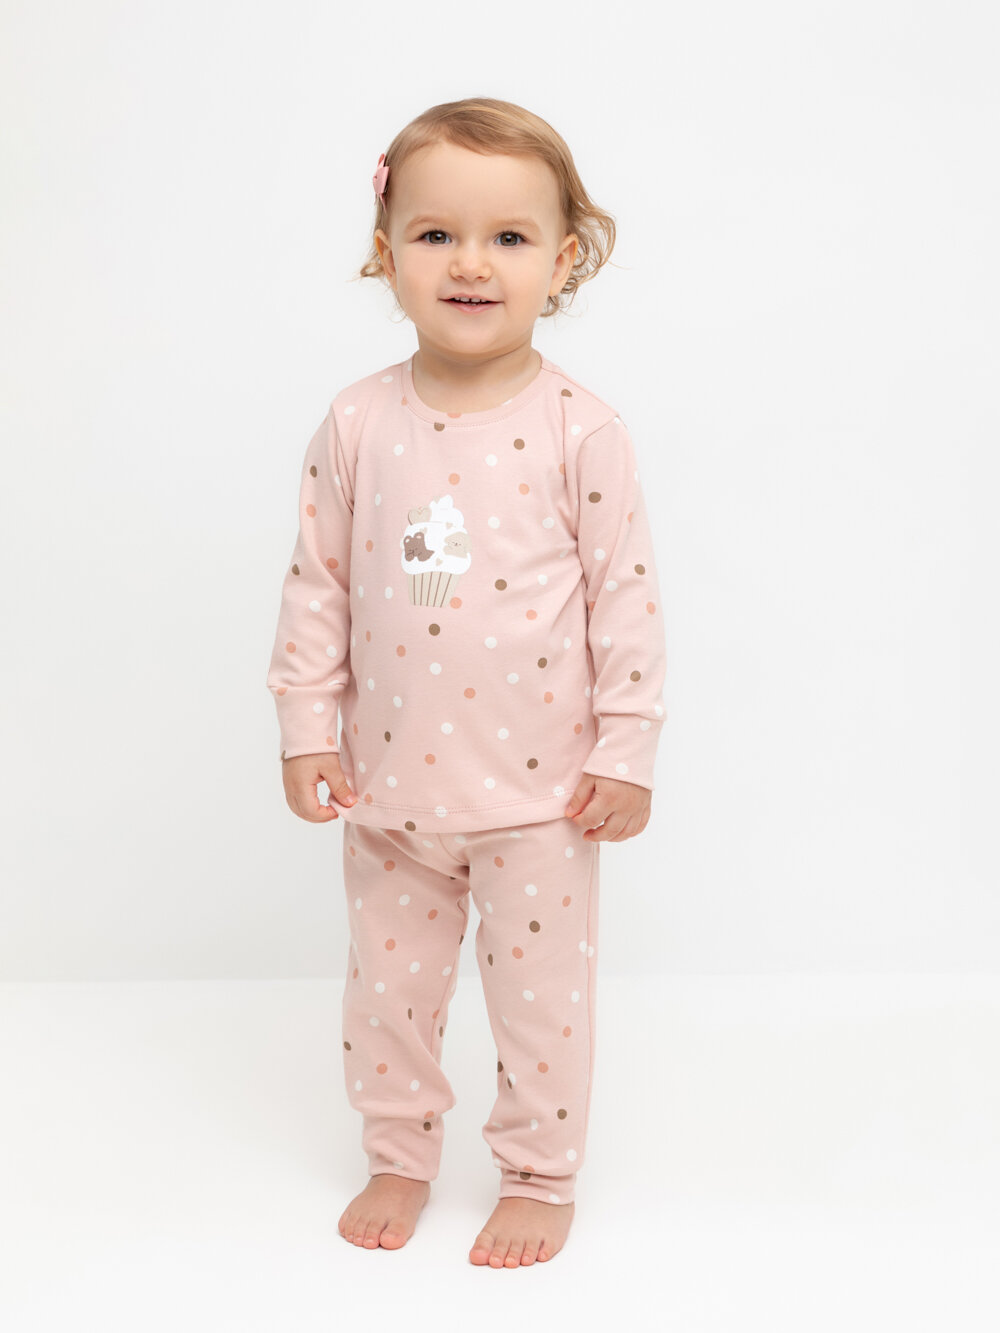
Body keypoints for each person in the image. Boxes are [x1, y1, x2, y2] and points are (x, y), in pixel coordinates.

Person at [265, 97, 667, 1267]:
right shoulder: (356, 421)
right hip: (388, 793)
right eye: (436, 233)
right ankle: (398, 1153)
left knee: (540, 1001)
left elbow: (627, 603)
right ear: (385, 249)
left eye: (509, 237)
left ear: (564, 258)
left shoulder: (582, 431)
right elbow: (317, 585)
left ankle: (539, 1173)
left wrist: (625, 752)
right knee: (386, 995)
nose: (471, 264)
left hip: (542, 799)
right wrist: (305, 726)